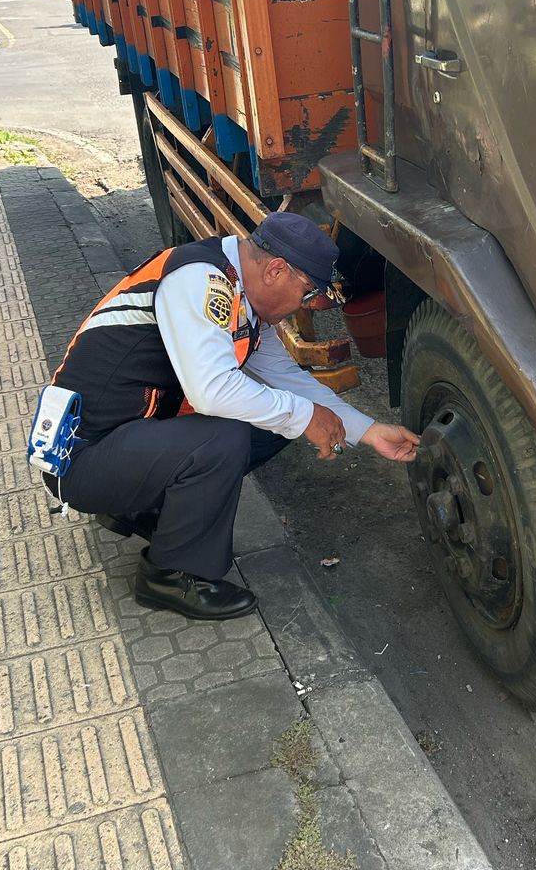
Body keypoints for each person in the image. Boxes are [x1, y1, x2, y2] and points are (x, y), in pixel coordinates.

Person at [45, 211, 421, 620]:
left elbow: (287, 381)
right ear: (277, 270)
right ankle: (169, 574)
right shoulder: (199, 281)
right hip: (80, 458)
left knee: (279, 417)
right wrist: (305, 416)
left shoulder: (243, 296)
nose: (307, 306)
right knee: (224, 436)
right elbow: (211, 393)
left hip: (126, 440)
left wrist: (367, 430)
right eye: (308, 293)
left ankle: (137, 508)